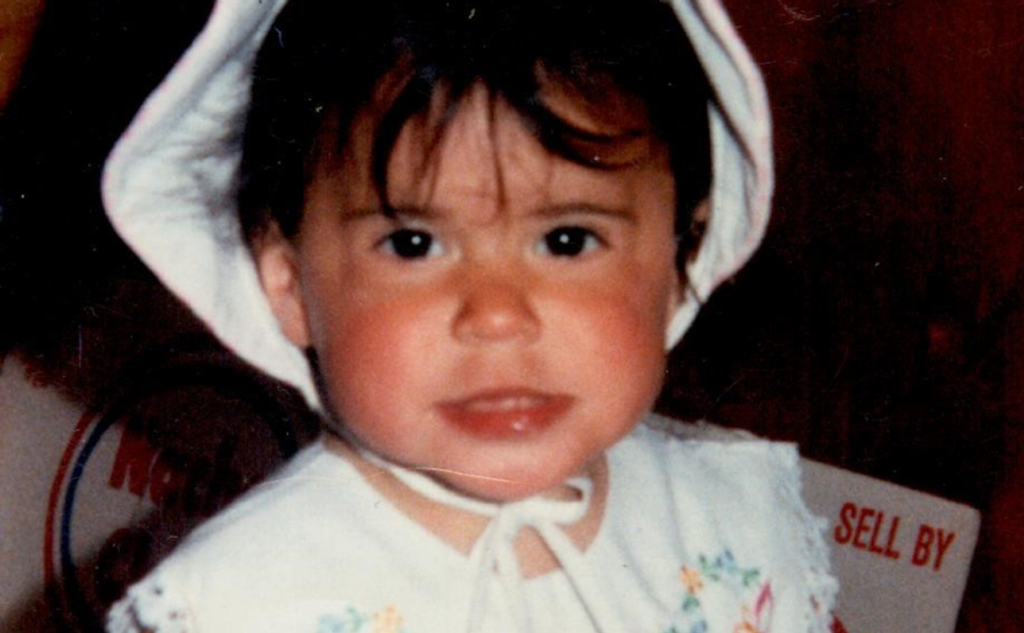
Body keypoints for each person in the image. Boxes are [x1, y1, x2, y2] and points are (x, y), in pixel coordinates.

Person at [102, 0, 837, 631]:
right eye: (413, 244)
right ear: (290, 285)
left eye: (567, 240)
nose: (497, 315)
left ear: (683, 258)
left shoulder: (734, 524)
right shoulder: (241, 601)